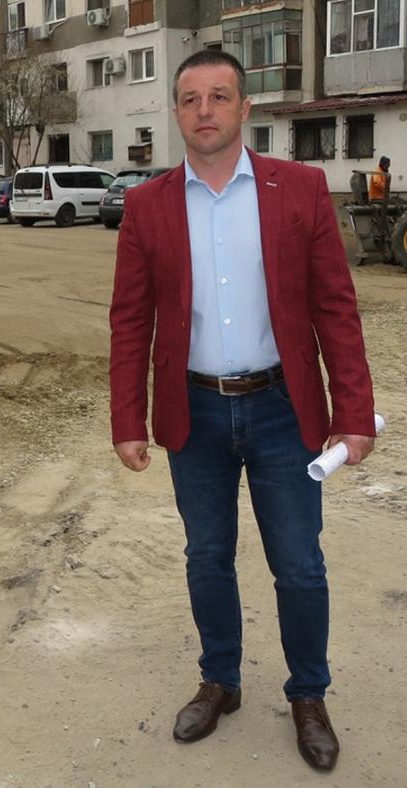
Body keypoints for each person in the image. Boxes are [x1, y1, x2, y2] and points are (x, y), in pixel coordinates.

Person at [108, 49, 376, 773]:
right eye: (190, 98)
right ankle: (219, 681)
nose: (205, 110)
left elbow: (335, 308)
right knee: (207, 557)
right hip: (193, 411)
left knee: (299, 565)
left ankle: (308, 695)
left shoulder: (300, 189)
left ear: (244, 107)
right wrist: (128, 420)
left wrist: (353, 411)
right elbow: (130, 320)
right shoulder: (148, 205)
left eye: (219, 96)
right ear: (175, 111)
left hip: (284, 410)